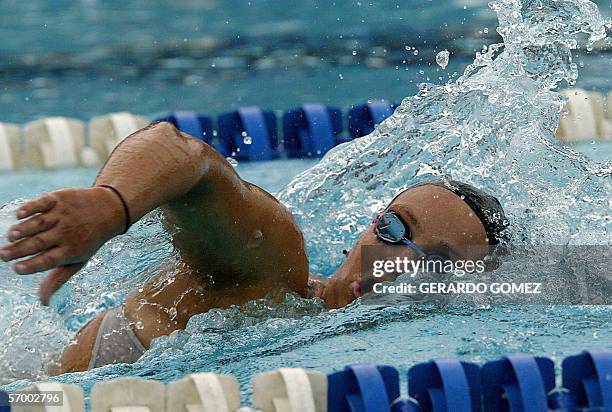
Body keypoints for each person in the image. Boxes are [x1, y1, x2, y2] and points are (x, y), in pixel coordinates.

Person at [0, 121, 508, 373]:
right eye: (394, 228)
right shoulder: (273, 268)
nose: (389, 262)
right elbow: (181, 152)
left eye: (436, 261)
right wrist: (111, 205)